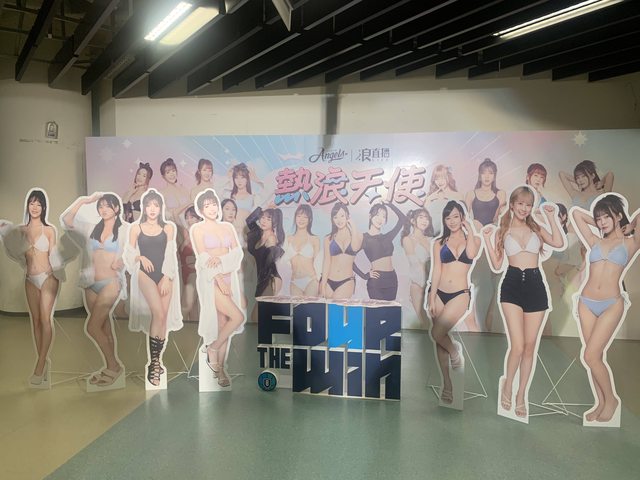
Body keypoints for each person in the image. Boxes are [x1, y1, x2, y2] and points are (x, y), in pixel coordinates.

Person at [482, 186, 565, 418]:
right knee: (517, 346)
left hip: (536, 285)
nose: (524, 208)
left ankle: (521, 395)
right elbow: (497, 264)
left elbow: (558, 242)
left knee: (530, 346)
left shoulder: (536, 227)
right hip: (511, 285)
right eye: (520, 203)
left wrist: (551, 217)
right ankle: (508, 385)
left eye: (528, 205)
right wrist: (487, 240)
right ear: (512, 204)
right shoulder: (503, 230)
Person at [571, 194, 639, 423]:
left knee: (590, 355)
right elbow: (577, 215)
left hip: (611, 304)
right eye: (598, 218)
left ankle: (611, 400)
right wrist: (602, 220)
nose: (601, 222)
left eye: (606, 217)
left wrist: (629, 224)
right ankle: (600, 403)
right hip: (586, 303)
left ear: (618, 216)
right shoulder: (595, 241)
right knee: (595, 356)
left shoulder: (631, 243)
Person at [62, 193, 126, 387]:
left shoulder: (124, 229)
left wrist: (123, 261)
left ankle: (114, 366)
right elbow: (66, 220)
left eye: (108, 206)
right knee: (104, 326)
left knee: (92, 327)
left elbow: (134, 251)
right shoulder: (91, 227)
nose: (103, 209)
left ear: (116, 208)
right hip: (90, 282)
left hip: (111, 282)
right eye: (101, 206)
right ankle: (110, 367)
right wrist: (84, 200)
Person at [0, 189, 63, 387]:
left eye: (39, 204)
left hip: (48, 277)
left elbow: (54, 255)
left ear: (44, 207)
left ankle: (40, 364)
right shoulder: (21, 230)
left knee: (45, 319)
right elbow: (10, 244)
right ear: (27, 206)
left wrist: (57, 269)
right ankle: (42, 361)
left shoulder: (49, 230)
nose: (35, 207)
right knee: (35, 322)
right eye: (32, 203)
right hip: (30, 278)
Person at [125, 189, 182, 387]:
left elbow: (171, 254)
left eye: (155, 205)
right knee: (157, 313)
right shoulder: (136, 228)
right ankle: (154, 363)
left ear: (160, 208)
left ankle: (158, 361)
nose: (152, 209)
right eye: (148, 205)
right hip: (144, 273)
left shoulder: (169, 228)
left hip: (166, 274)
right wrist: (140, 257)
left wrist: (167, 276)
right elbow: (128, 254)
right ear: (143, 207)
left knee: (163, 317)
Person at [427, 201, 481, 404]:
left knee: (437, 333)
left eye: (456, 216)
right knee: (439, 338)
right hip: (439, 293)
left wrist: (471, 230)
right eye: (448, 217)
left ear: (462, 218)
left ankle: (454, 352)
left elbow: (472, 254)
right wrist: (431, 297)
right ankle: (447, 384)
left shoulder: (472, 240)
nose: (452, 221)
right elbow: (436, 271)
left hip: (460, 294)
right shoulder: (439, 243)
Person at [191, 190, 245, 387]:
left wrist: (221, 261)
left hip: (230, 277)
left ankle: (220, 368)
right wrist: (219, 278)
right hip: (211, 280)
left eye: (214, 204)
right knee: (237, 317)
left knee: (225, 323)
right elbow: (203, 258)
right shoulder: (198, 229)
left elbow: (237, 253)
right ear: (201, 210)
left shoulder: (227, 227)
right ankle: (212, 349)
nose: (212, 208)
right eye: (207, 206)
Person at [354, 202, 405, 301]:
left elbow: (402, 219)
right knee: (377, 310)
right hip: (376, 282)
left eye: (384, 216)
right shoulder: (364, 238)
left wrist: (389, 204)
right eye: (377, 215)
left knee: (389, 310)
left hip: (392, 279)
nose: (380, 219)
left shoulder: (387, 237)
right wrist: (364, 275)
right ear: (370, 216)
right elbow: (349, 258)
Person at [321, 203, 363, 300]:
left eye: (342, 216)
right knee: (325, 308)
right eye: (335, 217)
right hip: (328, 281)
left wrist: (353, 226)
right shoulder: (328, 239)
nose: (339, 220)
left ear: (348, 216)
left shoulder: (357, 235)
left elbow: (355, 247)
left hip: (346, 281)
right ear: (332, 219)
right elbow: (327, 262)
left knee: (336, 306)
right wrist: (323, 285)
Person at [401, 208, 434, 328]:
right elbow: (414, 263)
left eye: (426, 218)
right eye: (421, 217)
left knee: (435, 322)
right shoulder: (407, 239)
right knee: (425, 323)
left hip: (433, 285)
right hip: (418, 285)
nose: (424, 220)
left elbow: (436, 260)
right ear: (412, 221)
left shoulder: (431, 240)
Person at [246, 204, 285, 297]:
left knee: (262, 304)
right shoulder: (257, 233)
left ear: (274, 222)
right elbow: (249, 220)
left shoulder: (271, 239)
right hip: (259, 278)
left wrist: (259, 283)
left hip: (269, 278)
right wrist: (263, 208)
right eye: (262, 217)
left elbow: (268, 266)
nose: (264, 221)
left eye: (268, 219)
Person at [283, 204, 322, 297]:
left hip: (311, 280)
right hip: (294, 281)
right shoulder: (288, 239)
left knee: (310, 306)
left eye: (305, 217)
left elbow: (318, 263)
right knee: (296, 307)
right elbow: (282, 261)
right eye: (299, 216)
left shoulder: (314, 239)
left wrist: (319, 281)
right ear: (295, 217)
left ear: (310, 220)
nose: (301, 219)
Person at [465, 158, 506, 228]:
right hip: (475, 229)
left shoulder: (500, 194)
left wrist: (491, 228)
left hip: (493, 230)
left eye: (490, 173)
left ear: (494, 176)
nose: (487, 176)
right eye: (483, 173)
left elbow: (500, 217)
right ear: (479, 176)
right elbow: (465, 217)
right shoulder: (471, 194)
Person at [423, 165, 461, 236]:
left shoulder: (457, 195)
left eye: (442, 178)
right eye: (437, 179)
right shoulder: (431, 197)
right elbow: (425, 217)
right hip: (434, 235)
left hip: (453, 234)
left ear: (448, 177)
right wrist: (429, 199)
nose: (440, 182)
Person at [179, 206, 202, 322]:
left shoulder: (202, 233)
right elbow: (177, 215)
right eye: (187, 217)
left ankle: (178, 332)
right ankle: (192, 333)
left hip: (194, 274)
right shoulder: (185, 232)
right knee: (193, 310)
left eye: (192, 217)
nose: (189, 220)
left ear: (199, 218)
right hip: (184, 273)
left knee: (185, 307)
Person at [158, 158, 190, 225]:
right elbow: (164, 216)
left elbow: (191, 207)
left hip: (189, 224)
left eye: (173, 171)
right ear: (163, 176)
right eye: (168, 172)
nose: (172, 174)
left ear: (176, 172)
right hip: (174, 226)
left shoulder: (184, 189)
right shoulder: (162, 193)